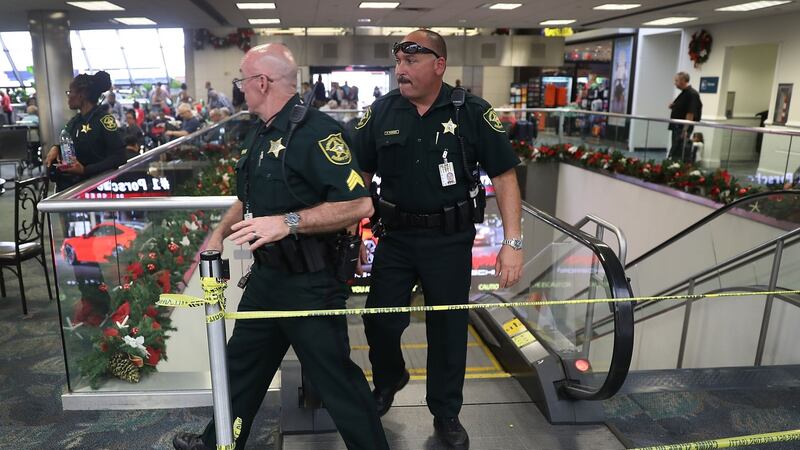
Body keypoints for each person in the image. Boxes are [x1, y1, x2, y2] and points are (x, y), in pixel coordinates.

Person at [172, 43, 389, 450]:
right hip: (268, 279)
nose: (239, 88)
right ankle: (218, 442)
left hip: (310, 285)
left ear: (262, 82)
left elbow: (359, 203)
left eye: (241, 79)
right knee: (242, 367)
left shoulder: (317, 133)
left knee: (336, 379)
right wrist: (217, 236)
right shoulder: (263, 131)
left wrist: (288, 222)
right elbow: (247, 198)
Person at [352, 29, 523, 449]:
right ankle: (390, 377)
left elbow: (504, 176)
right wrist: (351, 231)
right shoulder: (381, 113)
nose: (400, 71)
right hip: (395, 237)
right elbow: (356, 175)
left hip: (449, 241)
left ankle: (446, 411)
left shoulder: (472, 112)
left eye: (411, 62)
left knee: (447, 331)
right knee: (379, 319)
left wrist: (512, 243)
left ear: (438, 65)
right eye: (398, 63)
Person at [43, 71, 126, 191]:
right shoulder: (76, 121)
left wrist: (85, 170)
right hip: (74, 189)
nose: (68, 96)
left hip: (97, 190)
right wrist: (56, 147)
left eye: (70, 92)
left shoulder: (104, 120)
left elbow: (119, 156)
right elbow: (69, 141)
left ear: (82, 94)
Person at [668, 71, 702, 161]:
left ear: (683, 81)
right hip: (677, 127)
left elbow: (690, 113)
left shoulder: (692, 94)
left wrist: (685, 130)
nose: (674, 83)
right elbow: (682, 108)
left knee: (679, 151)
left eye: (676, 80)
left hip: (682, 128)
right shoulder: (684, 93)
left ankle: (678, 169)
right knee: (675, 149)